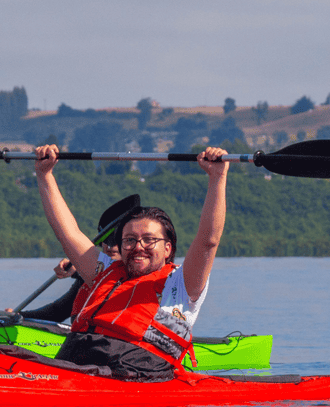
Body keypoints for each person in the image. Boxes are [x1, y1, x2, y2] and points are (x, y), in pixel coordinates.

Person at [34, 143, 229, 381]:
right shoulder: (104, 271)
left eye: (149, 240)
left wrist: (217, 178)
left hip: (135, 376)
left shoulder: (182, 284)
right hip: (76, 367)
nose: (138, 247)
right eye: (130, 240)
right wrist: (45, 175)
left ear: (168, 248)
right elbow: (68, 233)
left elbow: (208, 240)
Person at [18, 195, 139, 323]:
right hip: (84, 338)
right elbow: (58, 312)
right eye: (106, 240)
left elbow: (109, 277)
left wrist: (78, 269)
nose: (111, 246)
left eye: (118, 240)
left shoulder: (137, 275)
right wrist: (19, 316)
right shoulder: (86, 275)